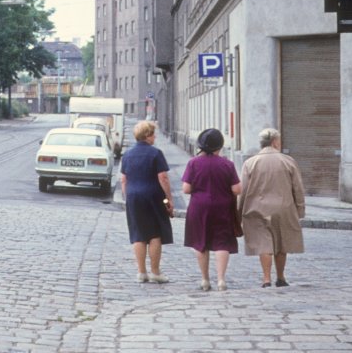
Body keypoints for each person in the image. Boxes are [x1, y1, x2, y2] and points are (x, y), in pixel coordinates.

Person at [239, 128, 305, 288]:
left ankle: (266, 279)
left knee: (264, 244)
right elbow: (298, 188)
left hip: (258, 208)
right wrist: (300, 209)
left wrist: (239, 212)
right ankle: (281, 277)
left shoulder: (250, 163)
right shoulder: (288, 161)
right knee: (282, 243)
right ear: (275, 142)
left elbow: (244, 190)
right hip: (284, 208)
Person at [181, 128, 242, 291]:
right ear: (219, 146)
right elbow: (237, 189)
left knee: (200, 242)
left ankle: (205, 279)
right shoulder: (227, 164)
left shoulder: (193, 163)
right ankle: (221, 280)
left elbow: (186, 189)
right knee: (222, 242)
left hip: (199, 207)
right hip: (222, 207)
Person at [121, 120, 175, 284]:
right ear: (147, 136)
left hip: (133, 197)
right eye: (153, 134)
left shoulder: (127, 154)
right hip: (153, 196)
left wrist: (128, 197)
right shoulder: (155, 153)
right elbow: (163, 178)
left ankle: (141, 272)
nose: (155, 136)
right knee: (154, 234)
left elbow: (124, 179)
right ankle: (155, 272)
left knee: (138, 234)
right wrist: (169, 199)